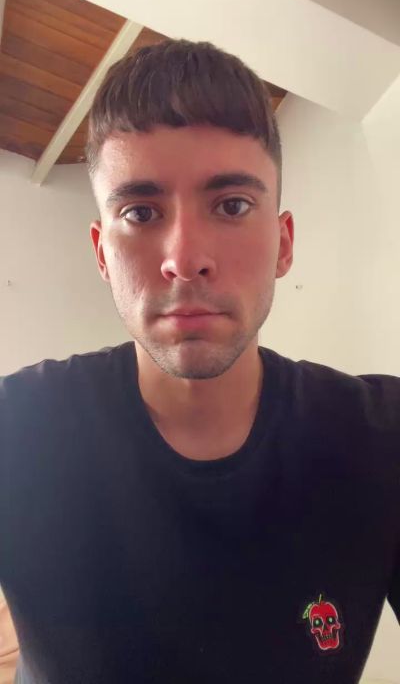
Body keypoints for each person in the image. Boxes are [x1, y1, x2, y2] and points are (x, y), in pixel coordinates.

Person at [0, 38, 399, 684]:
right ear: (102, 255)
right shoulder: (16, 429)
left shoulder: (382, 437)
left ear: (283, 243)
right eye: (140, 212)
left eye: (232, 205)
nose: (185, 258)